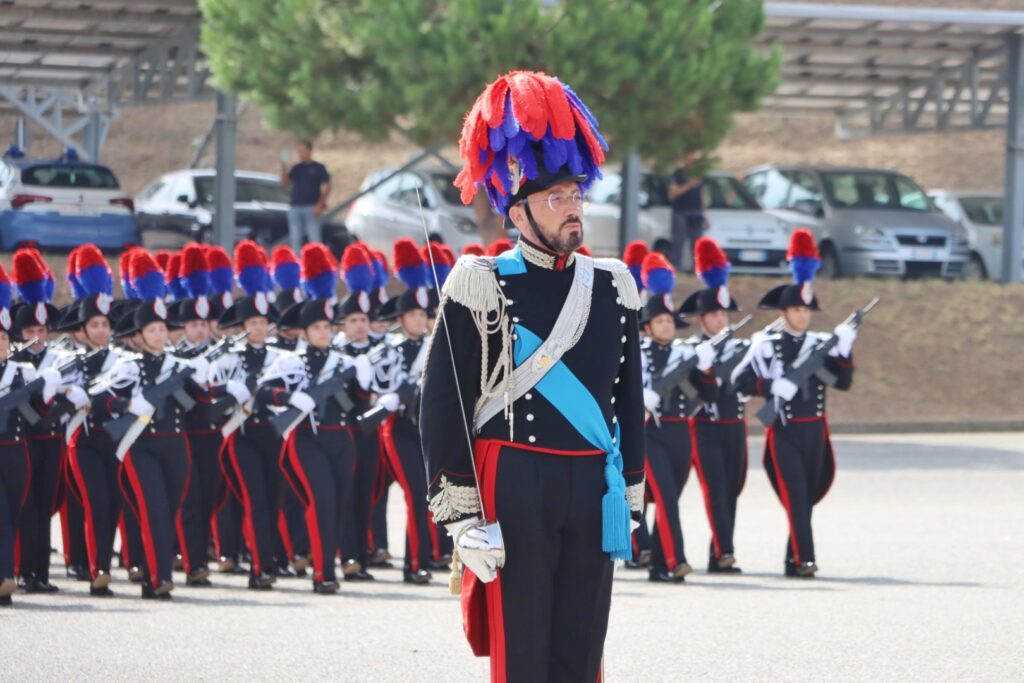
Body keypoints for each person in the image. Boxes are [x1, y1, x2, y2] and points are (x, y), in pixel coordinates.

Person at [421, 70, 645, 682]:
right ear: (517, 211)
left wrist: (629, 494)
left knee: (581, 643)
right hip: (514, 476)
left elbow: (629, 397)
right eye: (557, 199)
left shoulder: (612, 286)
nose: (573, 209)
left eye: (576, 195)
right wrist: (463, 516)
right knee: (522, 645)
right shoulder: (479, 283)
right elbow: (443, 404)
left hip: (589, 478)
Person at [733, 229, 857, 578]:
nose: (803, 315)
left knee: (809, 496)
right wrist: (774, 385)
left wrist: (845, 351)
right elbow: (739, 380)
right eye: (796, 309)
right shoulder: (766, 344)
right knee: (797, 495)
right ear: (784, 311)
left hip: (816, 431)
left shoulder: (821, 344)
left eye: (806, 309)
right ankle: (805, 559)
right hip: (784, 430)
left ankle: (793, 557)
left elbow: (843, 383)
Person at [256, 243, 372, 593]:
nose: (324, 331)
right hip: (305, 438)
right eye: (317, 327)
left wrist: (364, 384)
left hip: (340, 439)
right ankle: (324, 574)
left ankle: (324, 563)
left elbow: (356, 409)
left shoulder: (344, 363)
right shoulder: (289, 362)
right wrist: (291, 396)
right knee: (321, 500)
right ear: (305, 331)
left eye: (327, 326)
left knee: (337, 504)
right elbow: (263, 394)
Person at [637, 252, 717, 583]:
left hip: (681, 433)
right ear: (647, 326)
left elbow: (708, 395)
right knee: (666, 498)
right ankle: (676, 560)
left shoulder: (687, 354)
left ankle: (658, 566)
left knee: (671, 498)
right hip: (649, 433)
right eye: (660, 321)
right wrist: (646, 395)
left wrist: (706, 368)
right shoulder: (638, 354)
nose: (667, 325)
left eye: (670, 321)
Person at [678, 236, 749, 574]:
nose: (720, 320)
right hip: (704, 426)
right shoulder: (691, 349)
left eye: (723, 313)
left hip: (735, 424)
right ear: (701, 319)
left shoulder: (739, 347)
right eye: (713, 314)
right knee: (716, 488)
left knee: (732, 489)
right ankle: (725, 551)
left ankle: (718, 551)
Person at [9, 249, 65, 593]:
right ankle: (20, 569)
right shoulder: (15, 364)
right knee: (24, 505)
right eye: (30, 329)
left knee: (44, 505)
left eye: (42, 329)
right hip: (23, 440)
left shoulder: (61, 358)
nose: (37, 336)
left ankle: (39, 573)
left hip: (51, 439)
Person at [279, 140, 331, 253]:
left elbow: (327, 186)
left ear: (309, 150)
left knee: (314, 239)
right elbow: (284, 183)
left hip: (312, 207)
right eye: (299, 151)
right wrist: (283, 167)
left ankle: (317, 264)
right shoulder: (296, 168)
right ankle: (298, 265)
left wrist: (320, 204)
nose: (300, 154)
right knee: (295, 239)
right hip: (296, 207)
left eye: (303, 151)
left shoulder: (318, 168)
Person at [667, 151, 705, 272]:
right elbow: (672, 194)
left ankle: (697, 271)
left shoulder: (699, 174)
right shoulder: (677, 174)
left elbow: (702, 195)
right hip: (681, 213)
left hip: (696, 213)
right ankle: (676, 269)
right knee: (678, 243)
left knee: (697, 245)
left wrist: (704, 215)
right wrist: (689, 184)